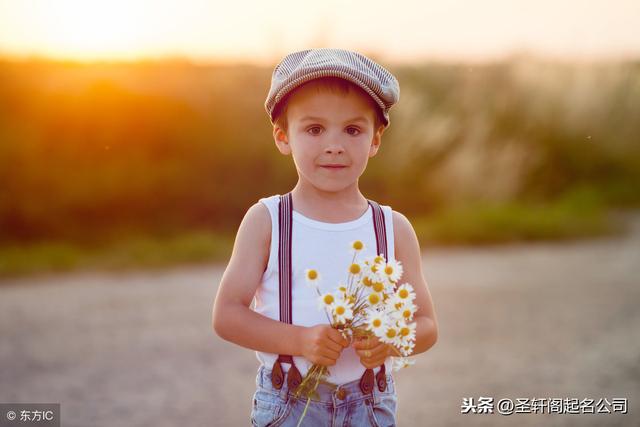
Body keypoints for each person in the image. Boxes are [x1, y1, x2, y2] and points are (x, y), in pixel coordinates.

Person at [212, 48, 438, 426]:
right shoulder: (269, 221)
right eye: (314, 129)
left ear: (375, 140)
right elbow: (226, 315)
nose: (334, 145)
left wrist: (394, 340)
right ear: (283, 137)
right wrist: (299, 341)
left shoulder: (392, 228)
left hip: (370, 404)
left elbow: (427, 324)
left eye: (353, 130)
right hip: (289, 403)